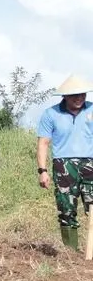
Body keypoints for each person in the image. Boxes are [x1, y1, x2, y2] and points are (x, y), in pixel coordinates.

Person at [36, 74, 93, 253]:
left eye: (82, 94)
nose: (79, 98)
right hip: (63, 165)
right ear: (65, 96)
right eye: (74, 95)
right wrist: (42, 170)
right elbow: (43, 143)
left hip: (90, 163)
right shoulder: (51, 113)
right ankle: (71, 252)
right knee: (66, 208)